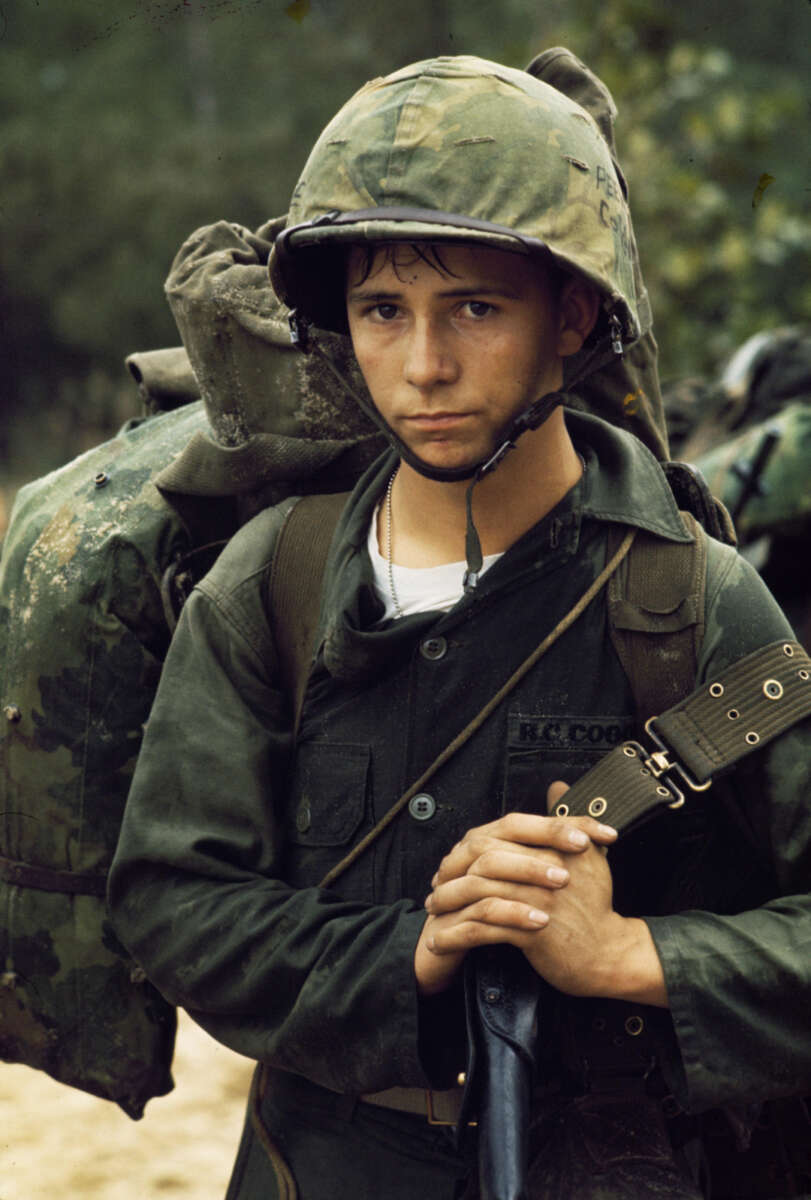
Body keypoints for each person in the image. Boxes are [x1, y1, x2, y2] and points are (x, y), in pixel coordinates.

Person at [107, 54, 811, 1198]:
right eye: (383, 311)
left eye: (474, 308)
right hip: (317, 1164)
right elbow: (174, 901)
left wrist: (635, 957)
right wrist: (410, 956)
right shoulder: (271, 581)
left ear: (573, 316)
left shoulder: (691, 598)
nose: (422, 367)